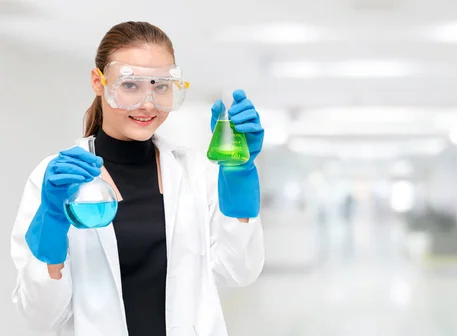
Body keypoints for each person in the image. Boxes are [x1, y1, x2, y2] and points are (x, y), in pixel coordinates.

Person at [10, 21, 265, 336]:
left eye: (160, 86)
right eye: (131, 85)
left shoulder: (195, 172)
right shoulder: (57, 179)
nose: (147, 103)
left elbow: (239, 272)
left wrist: (238, 175)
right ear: (98, 82)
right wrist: (51, 222)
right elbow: (40, 316)